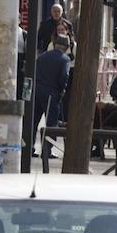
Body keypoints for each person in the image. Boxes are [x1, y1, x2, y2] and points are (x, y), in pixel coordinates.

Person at [32, 31, 72, 161]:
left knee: (33, 121)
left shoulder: (42, 56)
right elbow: (64, 76)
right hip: (52, 93)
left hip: (37, 91)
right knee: (51, 123)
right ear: (66, 47)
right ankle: (47, 150)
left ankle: (29, 147)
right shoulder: (65, 59)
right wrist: (62, 89)